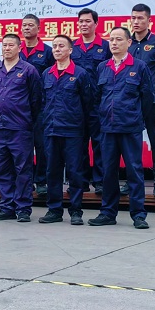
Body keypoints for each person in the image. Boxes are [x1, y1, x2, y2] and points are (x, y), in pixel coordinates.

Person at [89, 27, 154, 229]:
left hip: (130, 128)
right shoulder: (103, 67)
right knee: (108, 172)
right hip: (108, 129)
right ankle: (107, 213)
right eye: (111, 40)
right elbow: (97, 97)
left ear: (129, 43)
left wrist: (136, 118)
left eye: (119, 39)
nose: (114, 43)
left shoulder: (139, 66)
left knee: (134, 171)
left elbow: (147, 97)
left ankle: (138, 214)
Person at [38, 34, 95, 226]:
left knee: (75, 172)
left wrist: (83, 129)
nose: (57, 49)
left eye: (61, 46)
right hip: (51, 131)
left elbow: (88, 104)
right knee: (52, 172)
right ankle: (54, 210)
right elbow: (42, 103)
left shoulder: (80, 74)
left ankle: (76, 210)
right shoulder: (46, 74)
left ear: (70, 50)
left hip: (73, 132)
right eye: (54, 46)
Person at [0, 33, 42, 223]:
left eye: (11, 45)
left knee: (22, 169)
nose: (7, 48)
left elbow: (36, 100)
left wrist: (26, 120)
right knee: (2, 169)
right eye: (4, 45)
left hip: (20, 128)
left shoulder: (28, 70)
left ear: (19, 48)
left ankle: (23, 208)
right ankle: (7, 207)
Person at [126, 3, 155, 198]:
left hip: (152, 102)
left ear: (149, 21)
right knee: (129, 142)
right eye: (133, 18)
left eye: (140, 18)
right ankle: (132, 181)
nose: (136, 22)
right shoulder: (126, 42)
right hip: (130, 102)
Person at [70, 7, 112, 194]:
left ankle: (100, 181)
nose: (84, 24)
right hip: (76, 104)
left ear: (96, 23)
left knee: (99, 143)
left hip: (98, 103)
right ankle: (81, 181)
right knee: (78, 144)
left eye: (88, 21)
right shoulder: (72, 47)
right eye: (81, 21)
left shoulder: (105, 46)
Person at [20, 14, 53, 196]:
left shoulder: (47, 52)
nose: (27, 28)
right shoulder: (17, 50)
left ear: (38, 28)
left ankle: (41, 180)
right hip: (20, 107)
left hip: (40, 106)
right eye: (24, 25)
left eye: (30, 25)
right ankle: (26, 180)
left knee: (41, 145)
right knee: (22, 146)